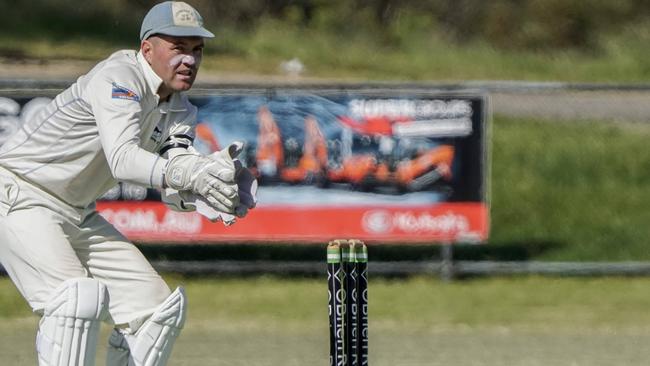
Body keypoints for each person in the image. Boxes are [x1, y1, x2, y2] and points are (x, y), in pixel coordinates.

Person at [0, 2, 254, 365]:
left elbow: (173, 171)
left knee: (155, 310)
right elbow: (123, 159)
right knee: (76, 300)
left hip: (78, 213)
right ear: (147, 49)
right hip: (20, 194)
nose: (191, 61)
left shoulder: (180, 109)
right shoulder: (120, 77)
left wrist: (206, 190)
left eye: (197, 50)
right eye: (178, 48)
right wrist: (186, 175)